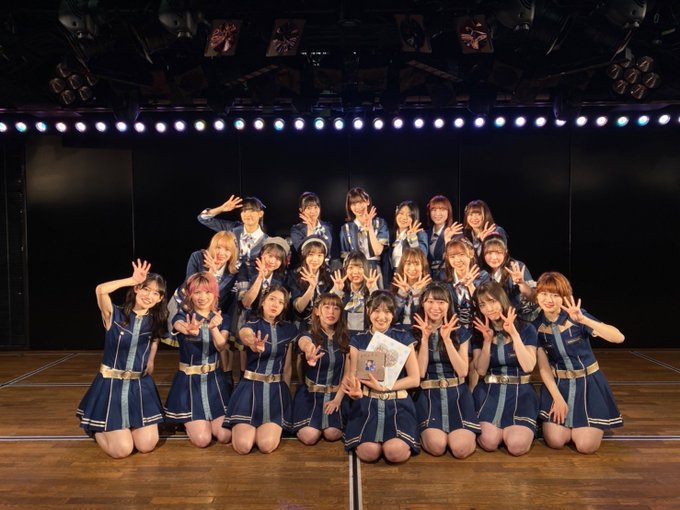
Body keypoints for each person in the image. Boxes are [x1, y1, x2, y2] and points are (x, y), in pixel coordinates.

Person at [76, 259, 168, 458]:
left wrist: (151, 359)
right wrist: (131, 280)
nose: (149, 296)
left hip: (139, 386)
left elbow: (155, 338)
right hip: (112, 386)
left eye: (155, 293)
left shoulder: (155, 321)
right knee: (122, 450)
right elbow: (100, 290)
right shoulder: (115, 315)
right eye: (145, 289)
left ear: (160, 298)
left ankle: (122, 428)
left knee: (146, 445)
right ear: (136, 289)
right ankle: (95, 427)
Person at [533, 272, 624, 454]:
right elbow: (543, 368)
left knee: (585, 446)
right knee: (556, 441)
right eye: (544, 294)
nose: (549, 300)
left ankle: (587, 424)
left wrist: (584, 320)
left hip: (588, 384)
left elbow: (618, 337)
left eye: (555, 295)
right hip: (559, 385)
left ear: (565, 297)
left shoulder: (576, 317)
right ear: (537, 296)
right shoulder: (536, 326)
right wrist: (557, 399)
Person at [342, 291, 421, 463]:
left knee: (394, 453)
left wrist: (385, 387)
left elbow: (415, 379)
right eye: (376, 310)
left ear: (393, 314)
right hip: (367, 403)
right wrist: (355, 392)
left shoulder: (403, 337)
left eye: (387, 311)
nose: (381, 317)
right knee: (369, 453)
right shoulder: (358, 340)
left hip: (398, 403)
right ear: (368, 311)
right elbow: (353, 375)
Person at [225, 285, 298, 454]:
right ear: (263, 301)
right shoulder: (251, 325)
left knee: (266, 446)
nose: (275, 304)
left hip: (276, 392)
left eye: (281, 302)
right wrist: (252, 342)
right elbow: (245, 334)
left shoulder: (289, 329)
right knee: (243, 446)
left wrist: (285, 397)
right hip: (249, 389)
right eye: (272, 299)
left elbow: (287, 367)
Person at [164, 272, 232, 447]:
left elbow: (221, 346)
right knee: (203, 440)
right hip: (189, 384)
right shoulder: (182, 317)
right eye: (197, 292)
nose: (203, 297)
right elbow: (179, 326)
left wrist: (214, 327)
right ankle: (187, 422)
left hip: (214, 382)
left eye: (208, 292)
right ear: (190, 295)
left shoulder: (222, 318)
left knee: (224, 435)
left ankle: (204, 422)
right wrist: (188, 329)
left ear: (215, 294)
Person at [412, 283, 479, 458]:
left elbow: (463, 371)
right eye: (430, 301)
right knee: (437, 446)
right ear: (422, 303)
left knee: (460, 449)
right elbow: (420, 373)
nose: (435, 307)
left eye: (441, 302)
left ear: (449, 304)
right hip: (428, 395)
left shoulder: (460, 331)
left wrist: (447, 340)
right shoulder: (414, 332)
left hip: (457, 394)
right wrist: (425, 339)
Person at [471, 281, 538, 456]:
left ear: (502, 299)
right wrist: (487, 341)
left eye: (492, 301)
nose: (488, 308)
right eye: (482, 305)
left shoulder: (526, 328)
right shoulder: (479, 331)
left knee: (517, 446)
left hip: (520, 393)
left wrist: (514, 334)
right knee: (489, 442)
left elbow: (528, 366)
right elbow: (481, 371)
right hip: (489, 392)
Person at [167, 231, 239, 384]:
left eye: (227, 249)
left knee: (215, 343)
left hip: (210, 310)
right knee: (190, 345)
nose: (221, 253)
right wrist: (210, 273)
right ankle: (187, 377)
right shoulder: (197, 257)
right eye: (218, 247)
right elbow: (190, 288)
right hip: (185, 305)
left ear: (232, 252)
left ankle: (222, 377)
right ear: (212, 246)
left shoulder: (233, 271)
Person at [293, 293, 350, 445]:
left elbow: (348, 374)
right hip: (310, 396)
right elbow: (304, 342)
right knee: (309, 437)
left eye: (336, 308)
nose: (331, 312)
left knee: (332, 434)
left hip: (336, 395)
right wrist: (309, 350)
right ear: (317, 311)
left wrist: (337, 400)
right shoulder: (308, 335)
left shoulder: (346, 338)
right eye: (327, 307)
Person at [197, 195, 268, 281]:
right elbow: (202, 218)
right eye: (244, 211)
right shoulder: (232, 229)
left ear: (260, 214)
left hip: (250, 284)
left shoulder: (267, 241)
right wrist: (221, 209)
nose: (247, 214)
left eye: (252, 210)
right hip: (223, 282)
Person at [480, 233, 538, 322]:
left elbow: (534, 297)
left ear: (506, 252)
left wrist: (521, 283)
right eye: (489, 253)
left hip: (526, 318)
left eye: (498, 252)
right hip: (502, 320)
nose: (494, 257)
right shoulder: (482, 273)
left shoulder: (516, 266)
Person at [339, 187, 389, 287]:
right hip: (355, 271)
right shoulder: (346, 228)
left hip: (374, 269)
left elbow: (378, 251)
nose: (358, 207)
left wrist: (370, 228)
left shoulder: (380, 223)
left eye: (361, 202)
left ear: (368, 201)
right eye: (353, 204)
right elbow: (345, 257)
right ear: (349, 207)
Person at [443, 236, 489, 332]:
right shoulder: (444, 280)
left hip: (480, 329)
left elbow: (486, 306)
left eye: (461, 255)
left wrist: (471, 286)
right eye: (452, 257)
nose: (457, 260)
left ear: (471, 253)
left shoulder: (483, 276)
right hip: (453, 331)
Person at [288, 236, 334, 328]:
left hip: (324, 323)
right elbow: (299, 308)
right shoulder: (294, 275)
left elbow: (331, 303)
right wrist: (311, 288)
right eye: (311, 254)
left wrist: (337, 289)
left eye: (319, 255)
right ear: (304, 255)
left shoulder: (329, 275)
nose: (315, 259)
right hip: (301, 324)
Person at [331, 250, 379, 337]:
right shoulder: (342, 291)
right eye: (351, 268)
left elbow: (380, 310)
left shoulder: (370, 291)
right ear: (345, 270)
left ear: (366, 268)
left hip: (367, 338)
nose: (355, 272)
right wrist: (336, 290)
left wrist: (373, 289)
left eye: (360, 267)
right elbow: (327, 310)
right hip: (343, 338)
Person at [290, 191, 334, 265]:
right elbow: (302, 252)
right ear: (301, 210)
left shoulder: (328, 226)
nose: (313, 211)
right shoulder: (296, 230)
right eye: (309, 208)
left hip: (327, 267)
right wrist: (310, 230)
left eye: (315, 207)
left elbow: (333, 251)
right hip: (307, 266)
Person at [425, 195, 463, 281]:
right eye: (434, 210)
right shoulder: (425, 234)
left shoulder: (455, 232)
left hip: (447, 277)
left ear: (448, 212)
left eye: (442, 209)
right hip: (427, 278)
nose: (437, 213)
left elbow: (457, 259)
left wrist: (447, 240)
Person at [391, 247, 431, 326]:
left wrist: (416, 295)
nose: (412, 268)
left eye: (416, 264)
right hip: (398, 329)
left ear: (423, 266)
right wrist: (401, 294)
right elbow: (392, 317)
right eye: (408, 264)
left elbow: (422, 317)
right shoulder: (395, 287)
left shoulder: (430, 289)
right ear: (402, 266)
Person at [389, 200, 428, 274]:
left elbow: (422, 257)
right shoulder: (391, 234)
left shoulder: (420, 234)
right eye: (401, 213)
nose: (404, 217)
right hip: (392, 275)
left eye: (409, 215)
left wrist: (413, 239)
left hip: (410, 274)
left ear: (414, 217)